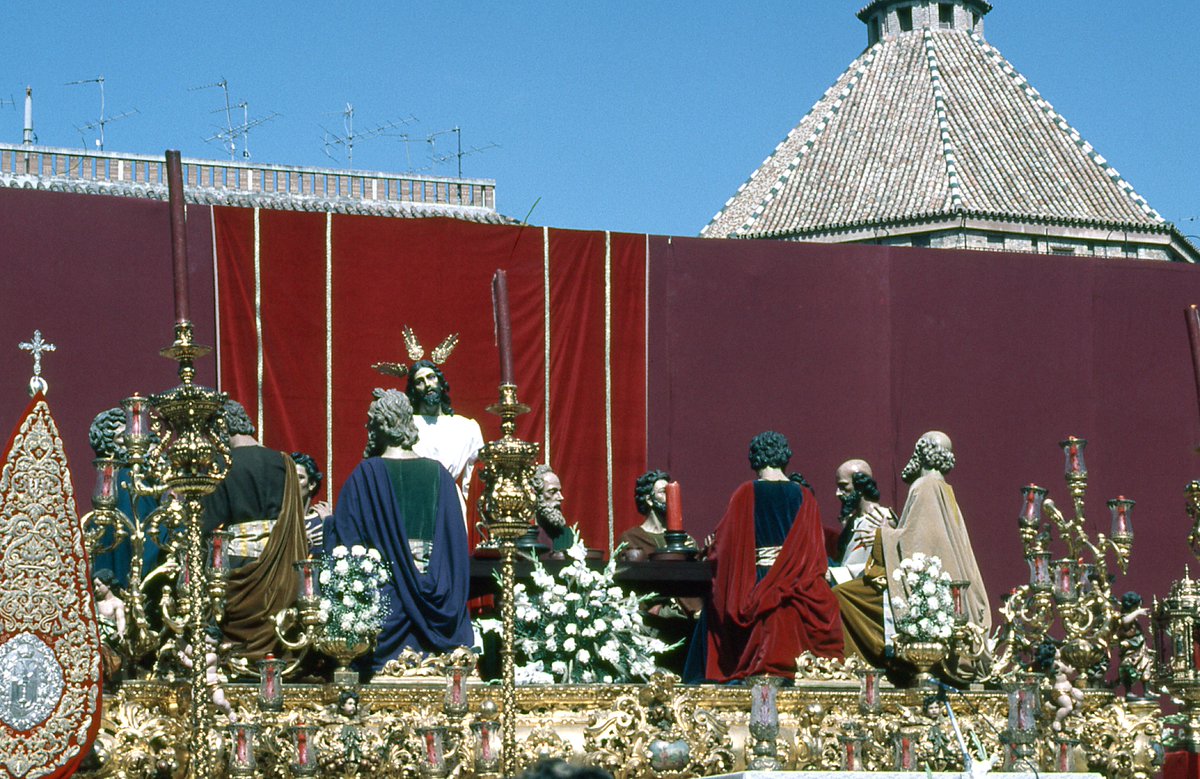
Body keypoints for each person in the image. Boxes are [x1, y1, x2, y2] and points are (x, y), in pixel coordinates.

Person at [324, 389, 472, 675]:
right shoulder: (439, 474)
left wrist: (326, 523)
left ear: (380, 425)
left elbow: (347, 541)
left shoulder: (366, 474)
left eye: (370, 423)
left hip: (385, 604)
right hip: (436, 601)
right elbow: (454, 543)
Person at [698, 431, 843, 682]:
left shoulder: (745, 493)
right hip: (795, 583)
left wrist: (709, 550)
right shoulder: (804, 496)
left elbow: (725, 545)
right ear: (784, 457)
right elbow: (814, 551)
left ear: (755, 458)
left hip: (756, 580)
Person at [200, 399, 308, 659]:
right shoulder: (284, 462)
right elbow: (296, 517)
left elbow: (208, 522)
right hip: (281, 564)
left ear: (220, 428)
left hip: (238, 567)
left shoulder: (221, 464)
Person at [407, 360, 483, 511]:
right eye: (419, 381)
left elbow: (473, 482)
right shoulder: (408, 425)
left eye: (431, 377)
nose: (427, 384)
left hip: (452, 502)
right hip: (415, 501)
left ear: (441, 383)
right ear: (414, 390)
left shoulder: (466, 427)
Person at [828, 460, 896, 583]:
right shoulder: (854, 520)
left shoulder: (882, 517)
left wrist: (834, 574)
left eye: (844, 486)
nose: (838, 493)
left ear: (860, 486)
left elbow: (879, 566)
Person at [291, 452, 332, 553]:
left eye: (300, 477)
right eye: (291, 477)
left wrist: (329, 523)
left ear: (312, 484)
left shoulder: (321, 520)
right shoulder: (279, 517)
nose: (294, 482)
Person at [532, 464, 576, 552]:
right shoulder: (524, 534)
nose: (561, 497)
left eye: (559, 491)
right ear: (535, 495)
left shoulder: (566, 535)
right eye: (552, 492)